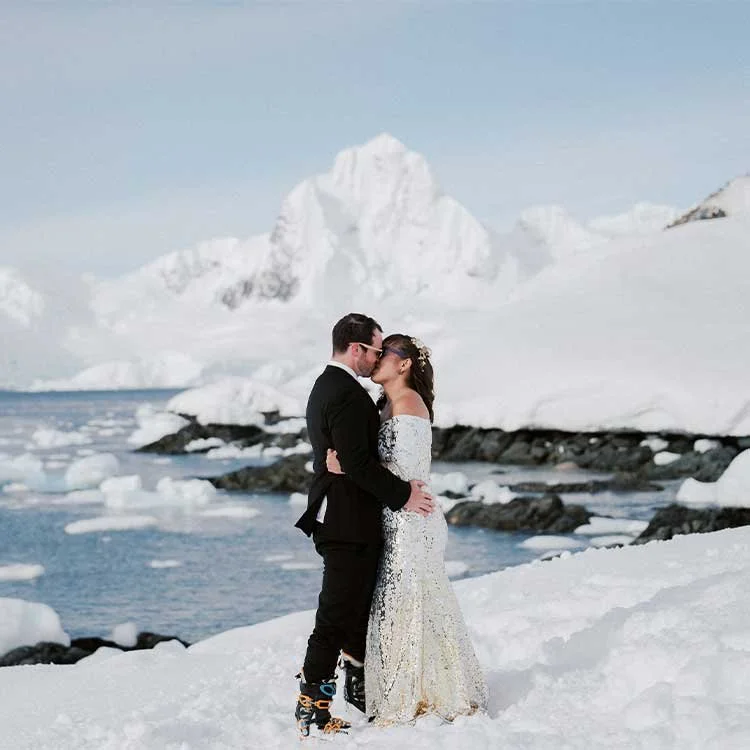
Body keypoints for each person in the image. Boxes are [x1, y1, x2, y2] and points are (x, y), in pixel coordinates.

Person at [326, 333, 488, 725]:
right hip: (398, 516)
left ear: (404, 365)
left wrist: (349, 466)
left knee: (411, 602)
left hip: (412, 519)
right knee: (399, 603)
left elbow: (407, 471)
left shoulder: (408, 402)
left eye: (386, 353)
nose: (377, 358)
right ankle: (411, 688)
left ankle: (428, 692)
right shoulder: (387, 405)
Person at [294, 314, 435, 738]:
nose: (375, 360)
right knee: (335, 616)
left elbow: (342, 454)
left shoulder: (325, 386)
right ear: (357, 348)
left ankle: (361, 689)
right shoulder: (348, 395)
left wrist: (333, 464)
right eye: (374, 350)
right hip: (347, 522)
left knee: (355, 613)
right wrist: (403, 495)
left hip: (341, 516)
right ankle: (312, 709)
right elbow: (356, 462)